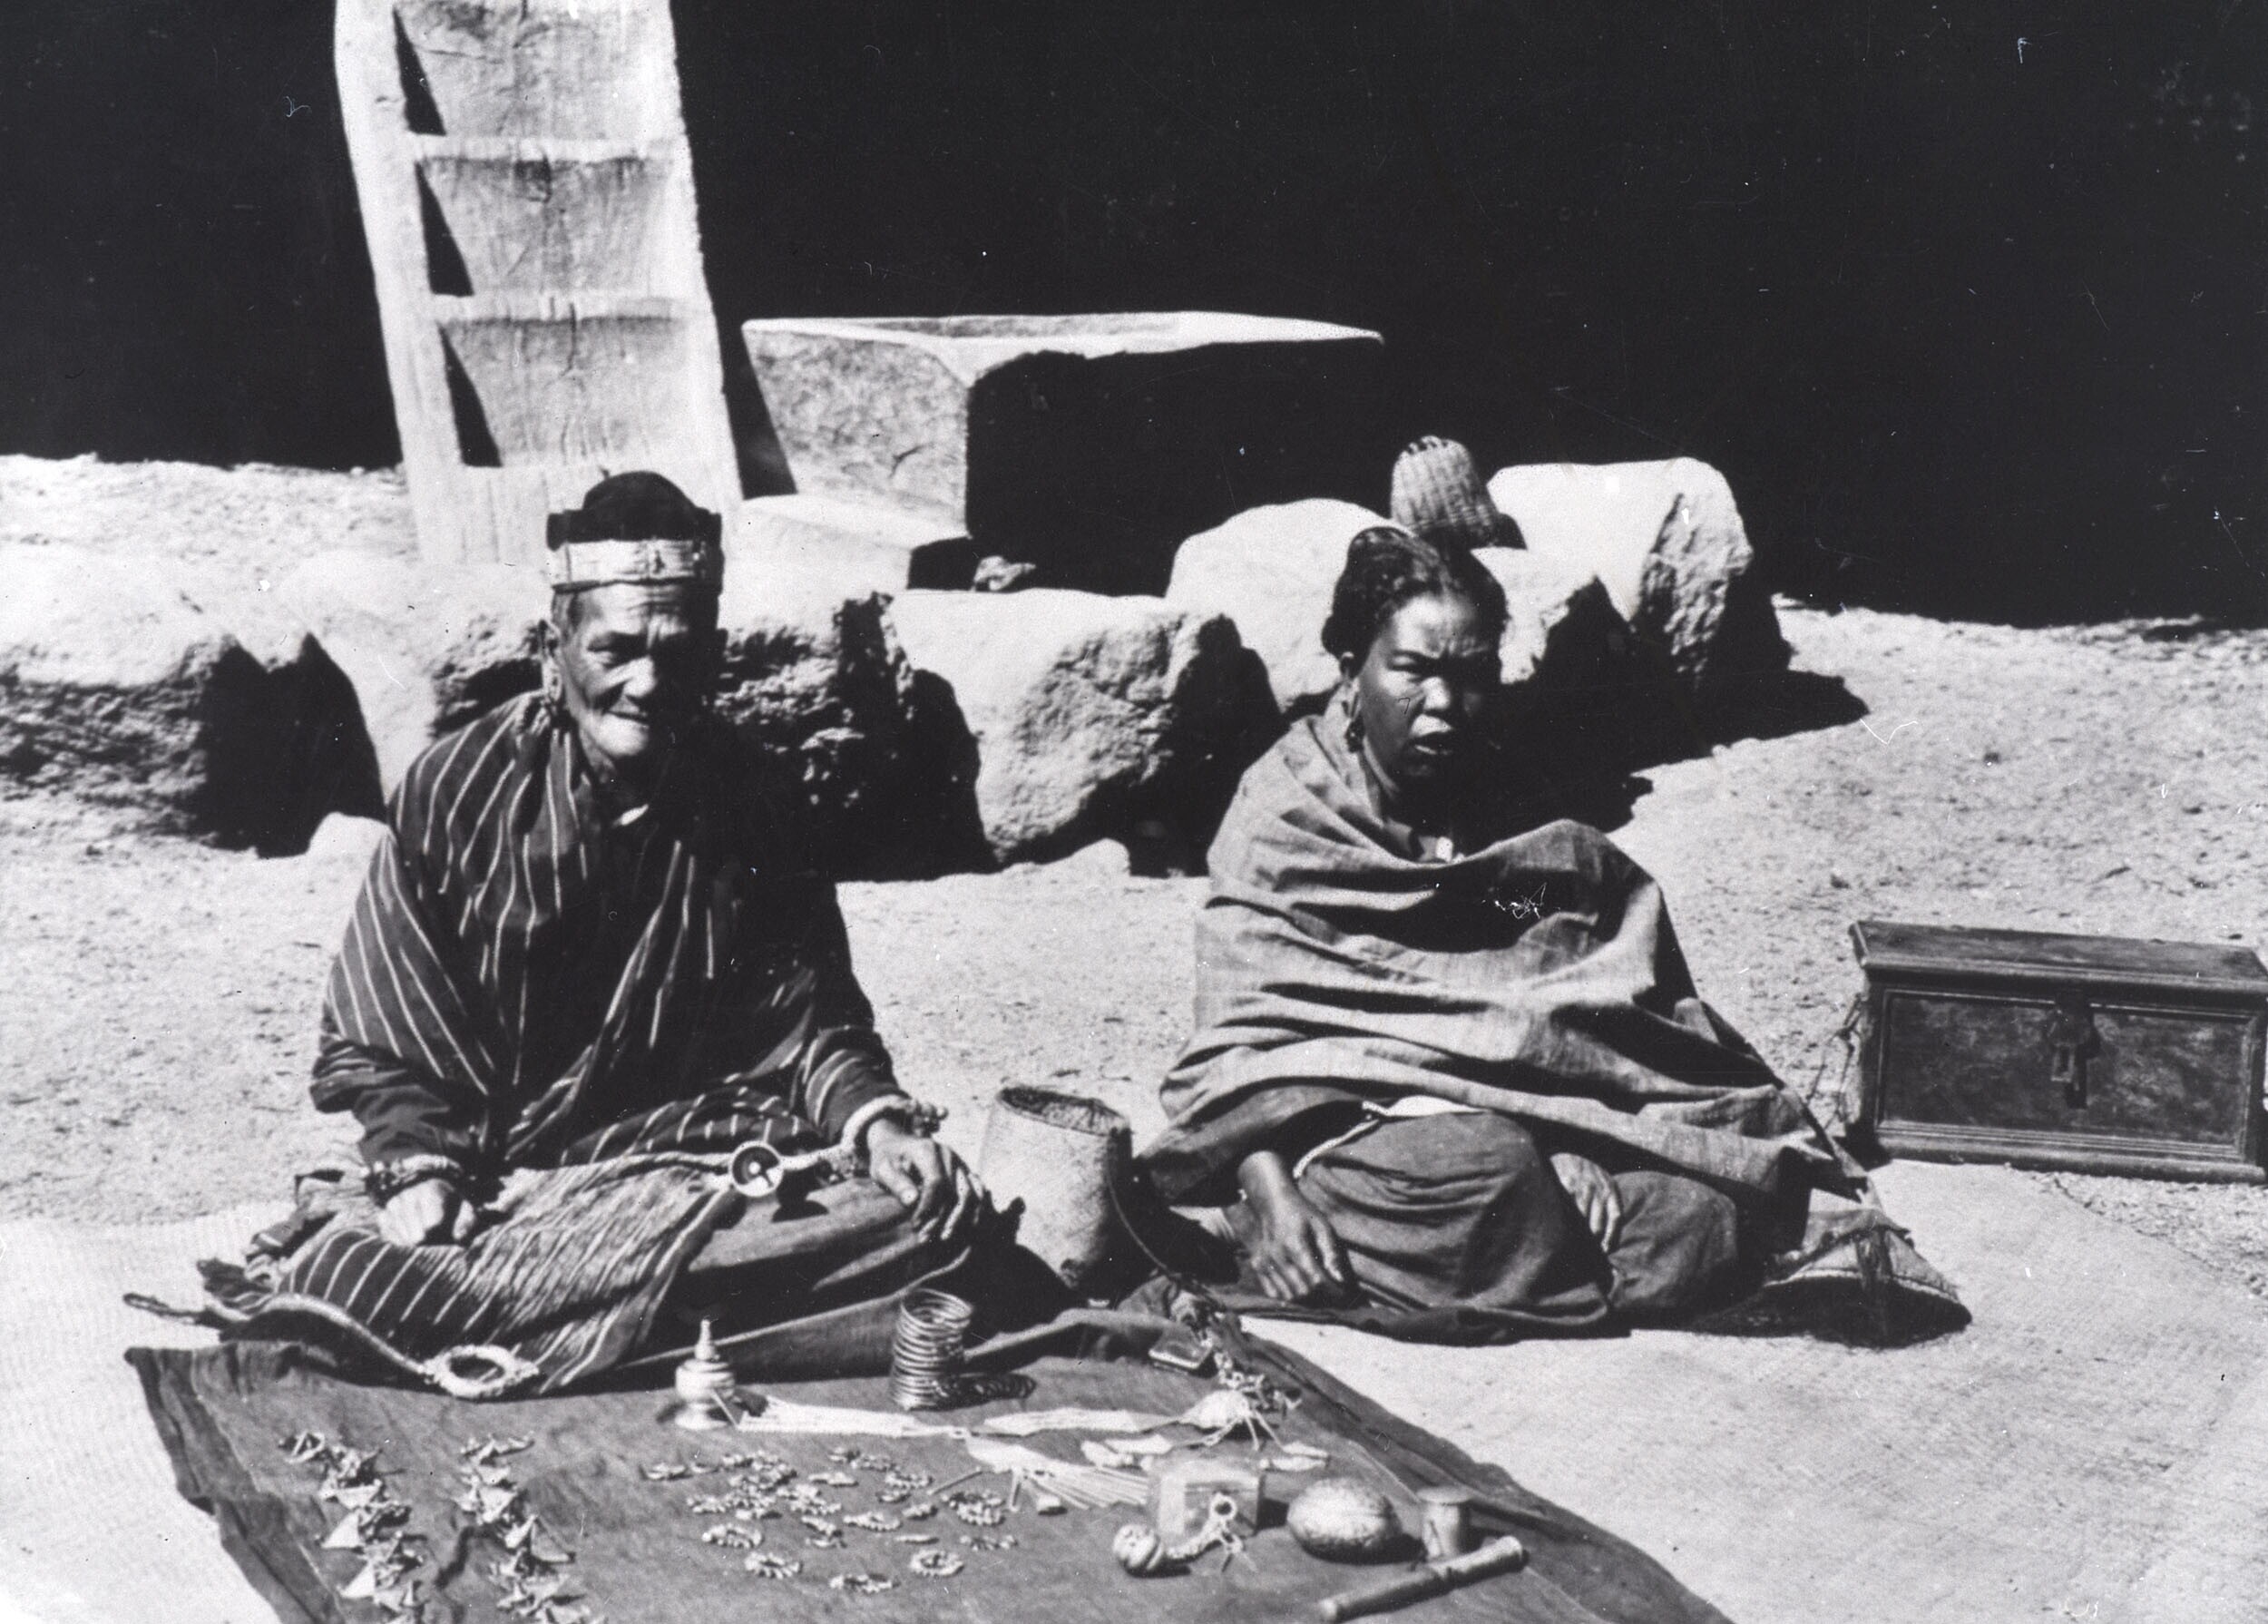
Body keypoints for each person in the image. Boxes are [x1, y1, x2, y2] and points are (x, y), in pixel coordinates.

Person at [204, 474, 984, 1393]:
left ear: (713, 658)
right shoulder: (457, 790)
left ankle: (599, 1312)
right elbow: (385, 1029)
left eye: (678, 653)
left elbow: (812, 1025)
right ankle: (654, 1318)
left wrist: (880, 1127)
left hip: (680, 1169)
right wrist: (419, 1170)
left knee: (923, 1219)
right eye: (615, 648)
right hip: (491, 1181)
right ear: (556, 648)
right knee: (351, 1273)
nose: (647, 683)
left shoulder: (759, 798)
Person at [1138, 524, 1858, 1340]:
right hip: (1352, 1139)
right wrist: (1271, 1198)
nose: (1446, 703)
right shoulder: (1287, 817)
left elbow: (1546, 962)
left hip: (1518, 1134)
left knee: (1701, 1218)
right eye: (1413, 670)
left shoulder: (1512, 799)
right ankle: (1317, 1234)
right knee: (1482, 1169)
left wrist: (1569, 1135)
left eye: (1472, 674)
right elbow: (1238, 1053)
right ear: (1350, 668)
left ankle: (1527, 1244)